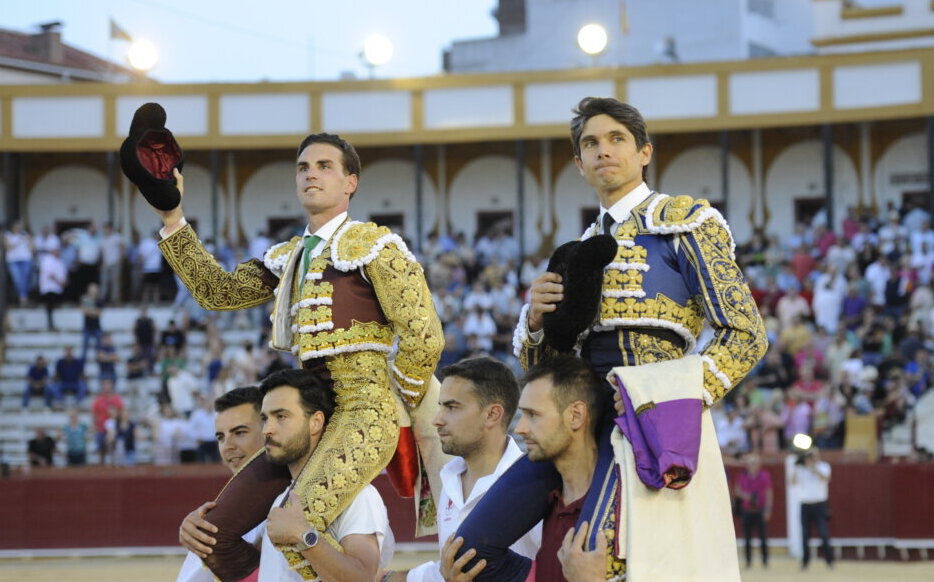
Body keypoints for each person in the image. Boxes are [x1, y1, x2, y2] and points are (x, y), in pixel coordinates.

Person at [456, 97, 766, 580]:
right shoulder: (576, 250)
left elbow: (746, 334)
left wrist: (669, 396)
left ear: (644, 152)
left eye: (616, 139)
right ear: (579, 163)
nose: (603, 150)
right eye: (591, 144)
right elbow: (545, 367)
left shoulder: (684, 224)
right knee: (467, 552)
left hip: (646, 419)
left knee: (600, 560)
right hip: (575, 415)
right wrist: (535, 320)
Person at [146, 131, 442, 579]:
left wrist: (398, 397)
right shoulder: (287, 256)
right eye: (303, 167)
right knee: (213, 534)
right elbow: (217, 292)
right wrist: (172, 217)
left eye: (325, 166)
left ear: (350, 182)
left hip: (364, 412)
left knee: (297, 525)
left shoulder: (375, 246)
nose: (311, 175)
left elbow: (424, 334)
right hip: (305, 414)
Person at [446, 355, 619, 582]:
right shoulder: (549, 501)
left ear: (575, 415)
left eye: (533, 415)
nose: (520, 428)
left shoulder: (627, 504)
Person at [383, 357, 540, 582]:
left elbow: (557, 572)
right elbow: (449, 570)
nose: (437, 420)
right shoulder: (450, 479)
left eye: (452, 407)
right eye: (440, 406)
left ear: (492, 414)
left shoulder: (532, 485)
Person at [258, 368, 394, 581]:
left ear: (316, 422)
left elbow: (363, 578)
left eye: (281, 416)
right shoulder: (281, 499)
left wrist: (303, 535)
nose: (267, 429)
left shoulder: (357, 495)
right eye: (265, 419)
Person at [176, 387, 268, 582]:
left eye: (240, 432)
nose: (227, 446)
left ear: (270, 430)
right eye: (221, 437)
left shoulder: (290, 500)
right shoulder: (227, 502)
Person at [790, 448, 833, 570]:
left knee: (823, 533)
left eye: (813, 456)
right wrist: (796, 466)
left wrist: (813, 467)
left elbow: (826, 478)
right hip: (805, 504)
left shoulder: (823, 466)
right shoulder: (801, 468)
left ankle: (829, 560)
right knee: (805, 534)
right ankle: (805, 561)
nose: (811, 458)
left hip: (820, 504)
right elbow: (792, 482)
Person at [733, 452, 773, 568]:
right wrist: (748, 497)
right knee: (747, 537)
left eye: (755, 463)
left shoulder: (764, 475)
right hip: (747, 510)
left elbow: (769, 493)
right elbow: (737, 491)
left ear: (759, 464)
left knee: (763, 537)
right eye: (751, 463)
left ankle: (765, 560)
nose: (753, 465)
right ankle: (748, 561)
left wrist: (768, 509)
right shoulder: (743, 475)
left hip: (760, 510)